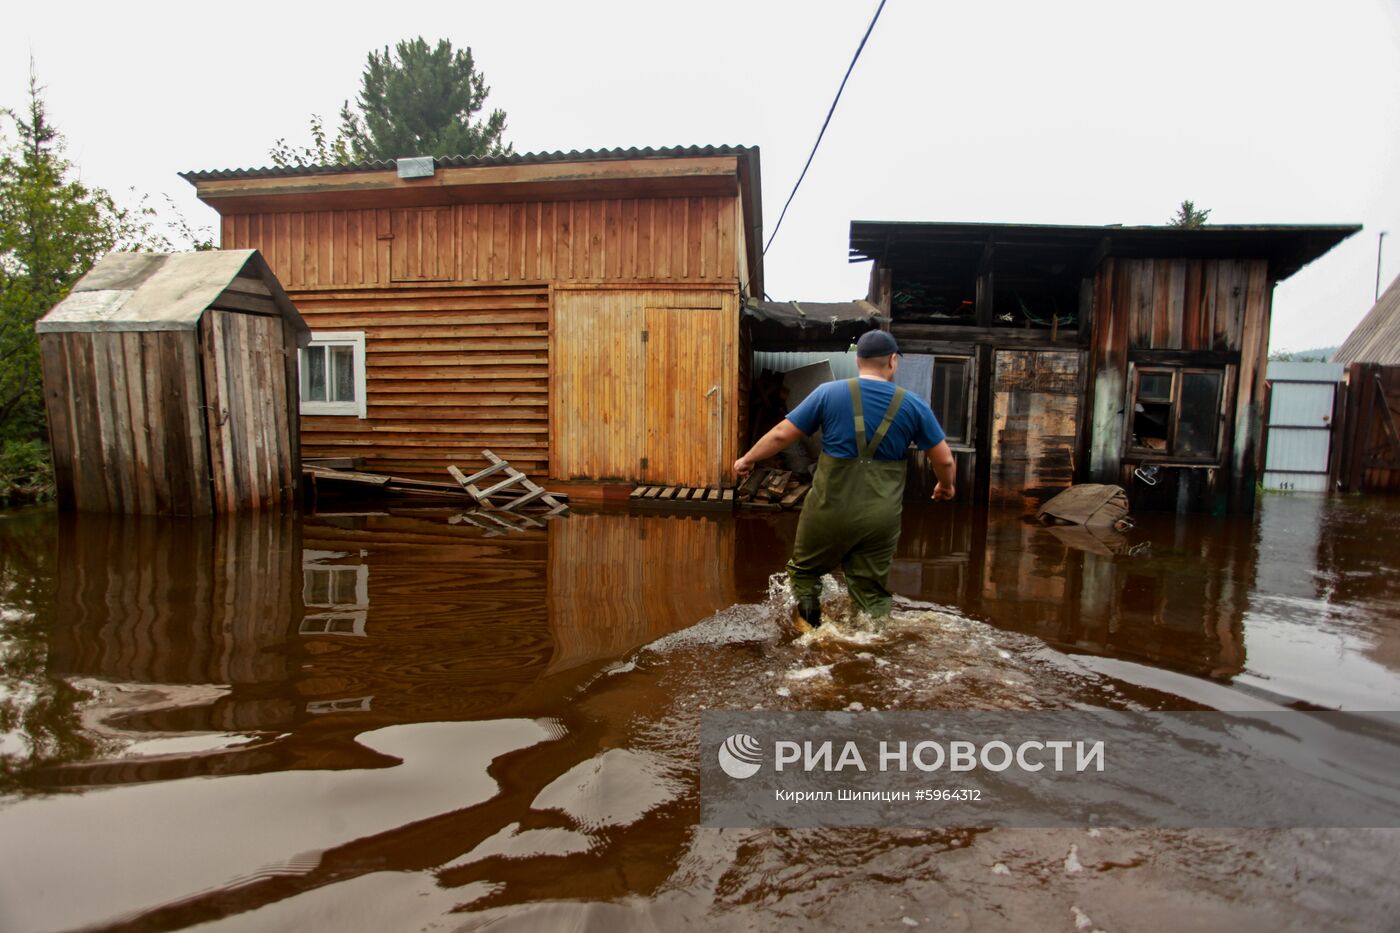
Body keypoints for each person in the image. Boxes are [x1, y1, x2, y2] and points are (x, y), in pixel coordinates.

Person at [733, 331, 957, 628]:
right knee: (871, 590)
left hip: (829, 510)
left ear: (857, 360)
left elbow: (780, 435)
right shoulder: (913, 404)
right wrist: (945, 485)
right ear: (892, 361)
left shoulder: (828, 393)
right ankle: (870, 644)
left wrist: (747, 459)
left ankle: (810, 635)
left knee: (805, 573)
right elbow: (943, 459)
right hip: (881, 517)